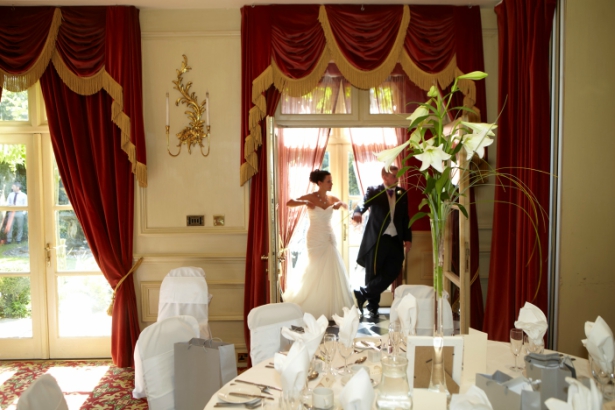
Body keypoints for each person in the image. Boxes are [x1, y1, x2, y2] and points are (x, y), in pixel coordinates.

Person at [282, 169, 354, 319]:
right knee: (315, 268)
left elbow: (347, 205)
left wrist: (340, 203)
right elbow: (289, 203)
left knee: (331, 268)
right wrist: (304, 202)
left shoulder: (331, 198)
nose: (331, 183)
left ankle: (330, 305)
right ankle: (310, 302)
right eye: (328, 181)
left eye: (331, 181)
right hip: (315, 237)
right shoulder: (310, 197)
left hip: (328, 237)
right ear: (319, 183)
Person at [352, 166, 412, 317]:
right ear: (384, 177)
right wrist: (358, 211)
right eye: (393, 176)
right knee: (373, 272)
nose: (397, 179)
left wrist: (408, 238)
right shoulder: (374, 190)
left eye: (398, 176)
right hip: (377, 239)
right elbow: (363, 203)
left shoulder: (402, 193)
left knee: (394, 269)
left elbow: (405, 218)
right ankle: (373, 306)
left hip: (395, 239)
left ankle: (363, 293)